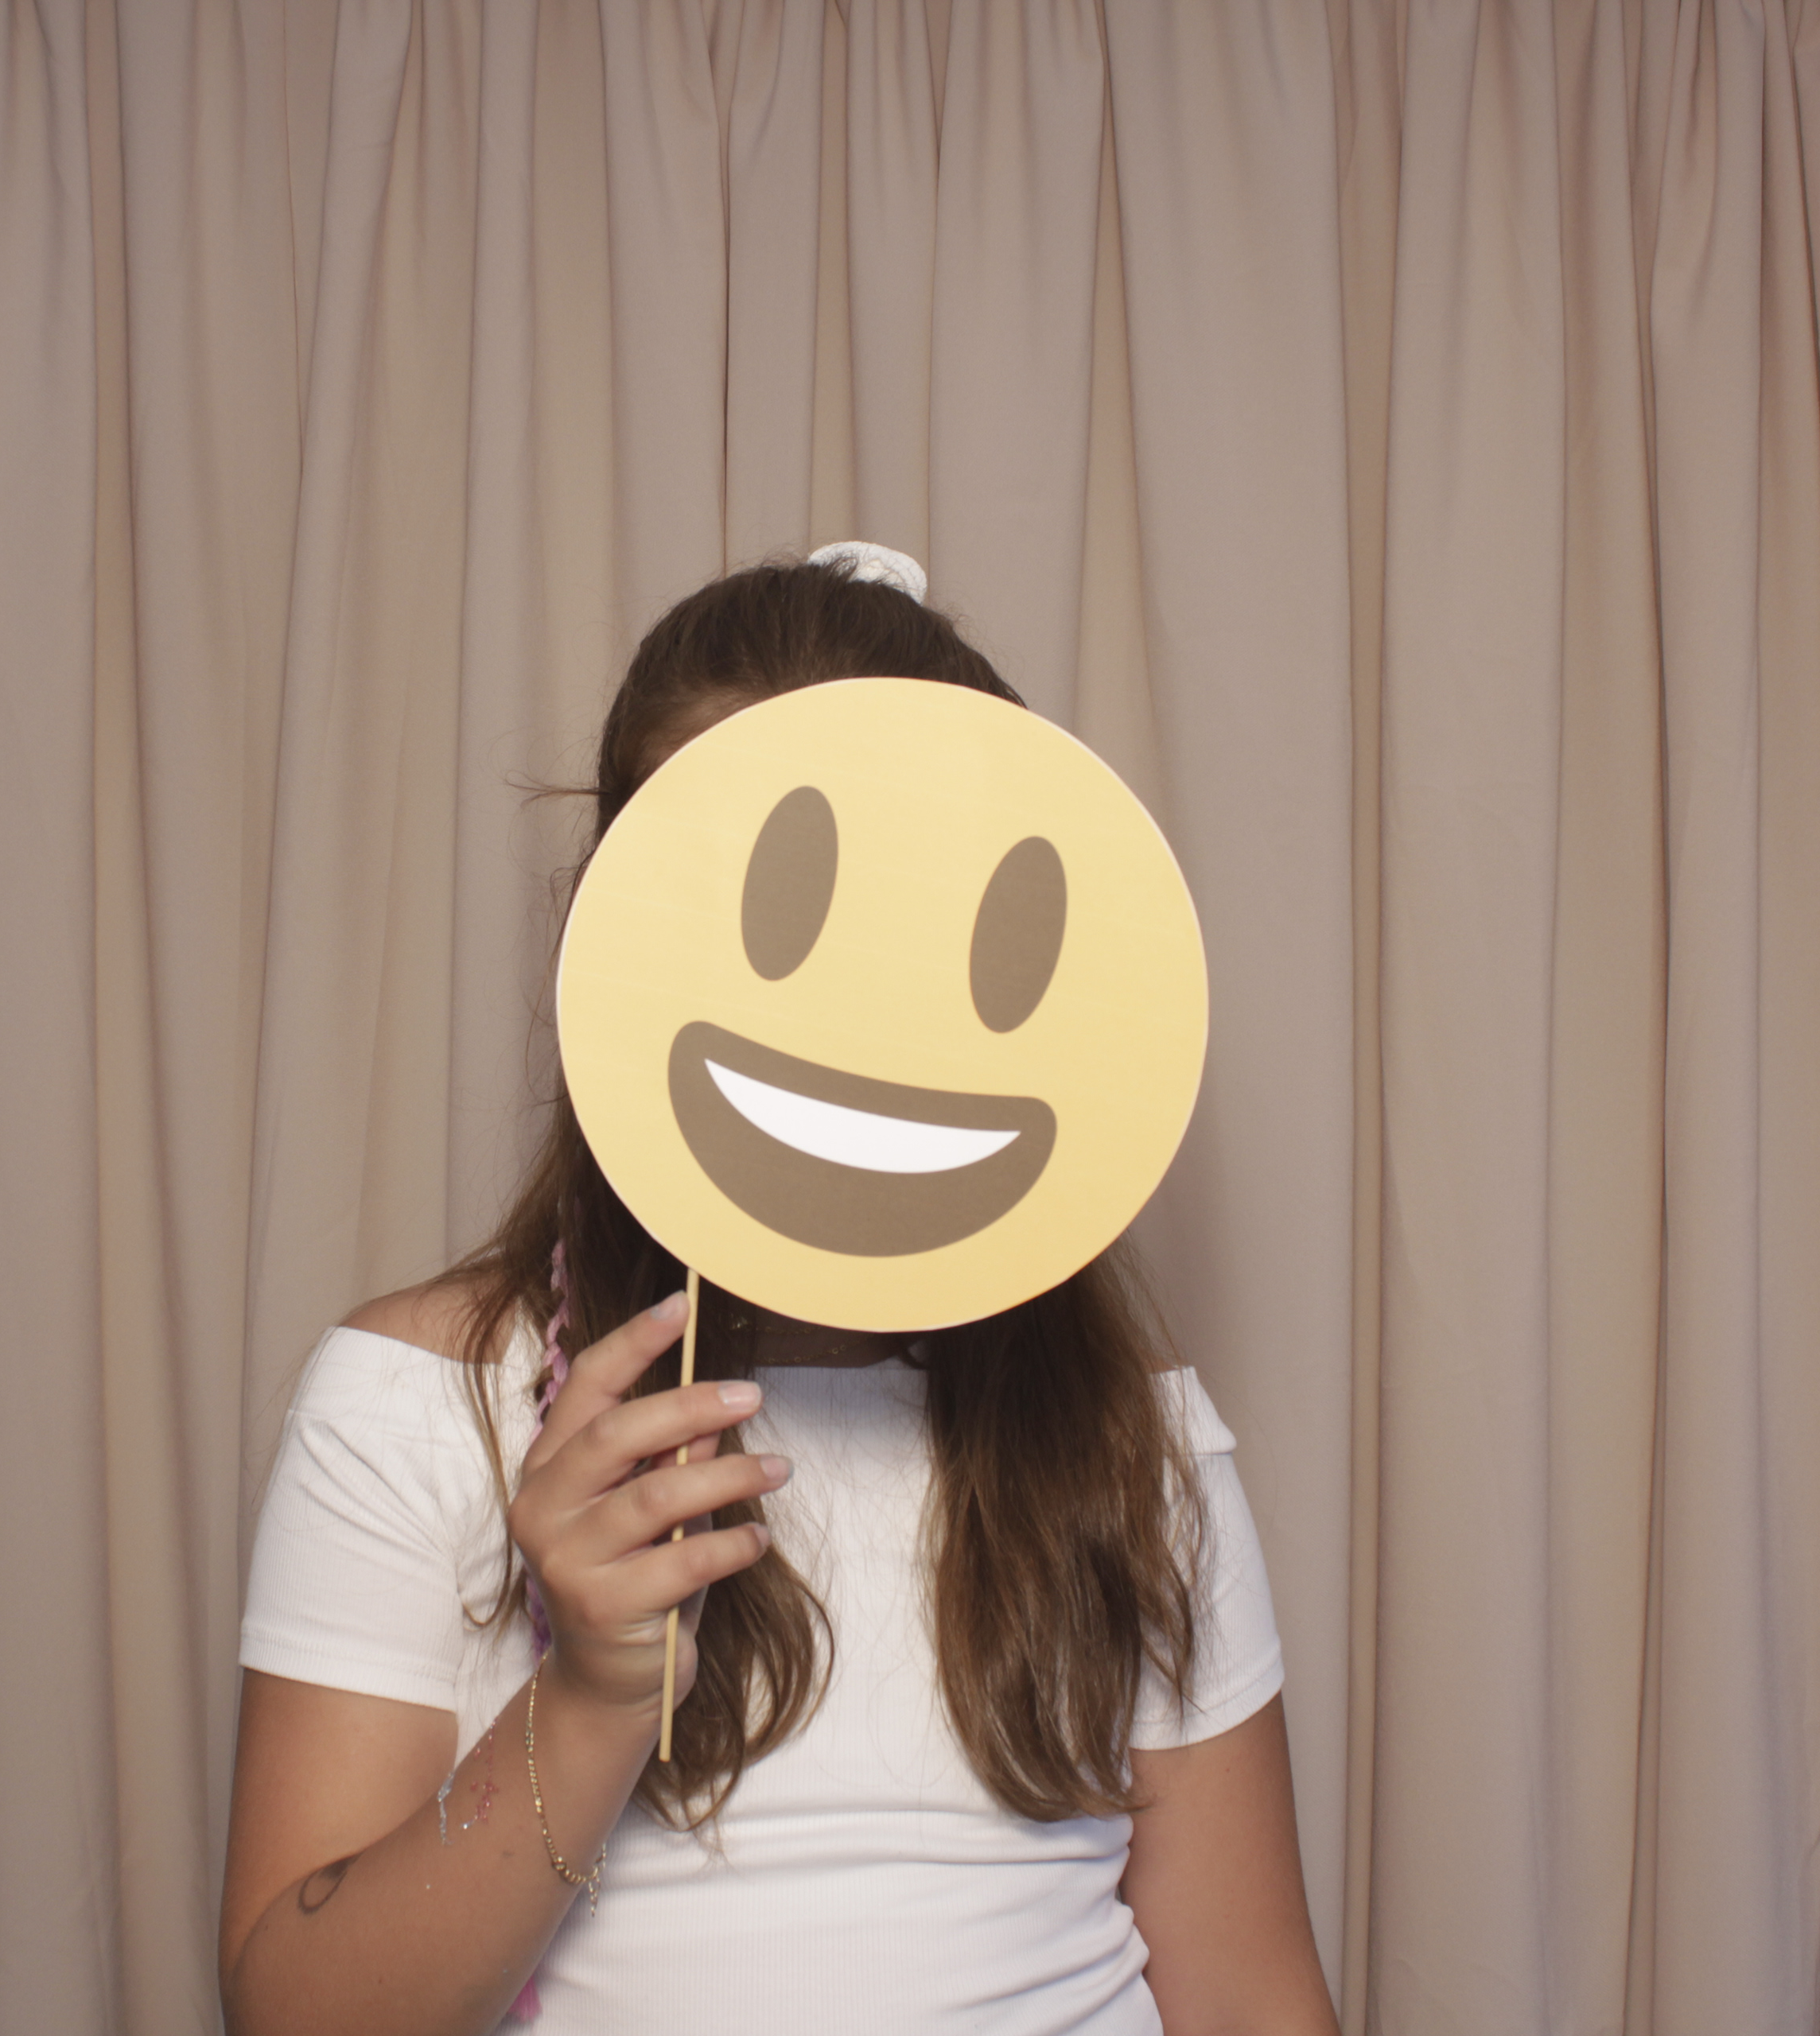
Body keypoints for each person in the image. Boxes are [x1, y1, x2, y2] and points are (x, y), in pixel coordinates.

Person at [218, 553, 1338, 2036]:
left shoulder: (1130, 1440)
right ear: (601, 936)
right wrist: (596, 1692)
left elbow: (1251, 1993)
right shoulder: (421, 1405)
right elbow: (297, 2017)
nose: (840, 1017)